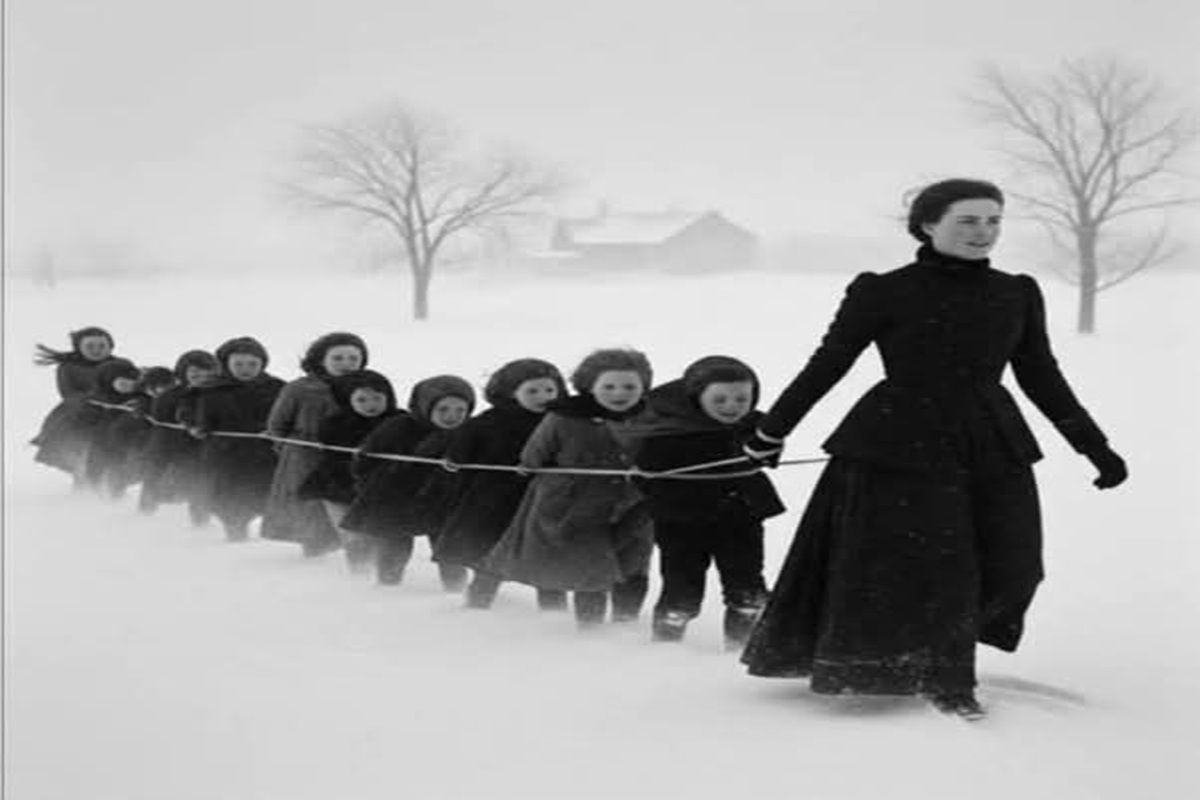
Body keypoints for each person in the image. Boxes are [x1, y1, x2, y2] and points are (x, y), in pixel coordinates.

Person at [740, 178, 1128, 720]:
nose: (984, 232)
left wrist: (1094, 447)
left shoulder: (1015, 292)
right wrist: (771, 431)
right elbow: (828, 364)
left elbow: (1041, 376)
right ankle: (944, 676)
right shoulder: (883, 290)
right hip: (899, 442)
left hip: (990, 440)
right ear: (928, 225)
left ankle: (935, 655)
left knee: (1015, 562)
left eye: (993, 220)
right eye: (968, 220)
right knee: (940, 566)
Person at [481, 348, 655, 629]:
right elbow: (534, 454)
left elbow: (663, 450)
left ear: (643, 386)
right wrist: (533, 467)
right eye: (608, 386)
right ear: (590, 387)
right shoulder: (564, 417)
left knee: (634, 561)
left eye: (629, 386)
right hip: (576, 504)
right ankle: (589, 627)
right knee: (590, 567)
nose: (619, 393)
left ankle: (626, 621)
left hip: (633, 502)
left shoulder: (650, 418)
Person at [632, 356, 785, 649]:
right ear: (696, 396)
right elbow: (644, 476)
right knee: (681, 590)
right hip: (682, 524)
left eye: (742, 398)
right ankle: (665, 647)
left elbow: (770, 454)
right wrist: (667, 489)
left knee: (747, 588)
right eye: (720, 398)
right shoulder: (666, 429)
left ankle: (739, 648)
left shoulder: (755, 426)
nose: (732, 405)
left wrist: (765, 447)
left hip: (740, 518)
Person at [431, 358, 568, 609]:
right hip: (497, 499)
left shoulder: (562, 421)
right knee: (493, 555)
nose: (543, 397)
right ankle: (477, 606)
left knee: (547, 557)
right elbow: (464, 445)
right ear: (511, 392)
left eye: (550, 390)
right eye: (532, 391)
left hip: (545, 499)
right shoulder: (490, 422)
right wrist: (455, 458)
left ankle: (553, 613)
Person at [340, 375, 476, 587]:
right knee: (394, 545)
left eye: (460, 410)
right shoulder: (398, 427)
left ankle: (456, 591)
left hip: (443, 500)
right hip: (396, 497)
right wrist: (374, 483)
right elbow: (365, 460)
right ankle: (387, 587)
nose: (452, 416)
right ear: (424, 406)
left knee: (448, 548)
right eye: (443, 409)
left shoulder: (469, 432)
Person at [261, 332, 370, 556]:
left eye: (353, 358)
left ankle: (358, 558)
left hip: (350, 458)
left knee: (349, 508)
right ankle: (314, 557)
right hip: (305, 456)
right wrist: (292, 451)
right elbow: (278, 425)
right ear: (321, 359)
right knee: (311, 510)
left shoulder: (368, 388)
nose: (346, 364)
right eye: (338, 358)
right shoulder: (300, 389)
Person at [184, 337, 286, 542]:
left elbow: (289, 415)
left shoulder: (277, 388)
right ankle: (235, 539)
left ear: (262, 364)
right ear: (226, 364)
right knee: (229, 501)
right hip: (225, 454)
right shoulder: (207, 389)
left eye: (252, 364)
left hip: (265, 454)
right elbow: (188, 411)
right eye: (238, 364)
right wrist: (194, 425)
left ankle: (270, 547)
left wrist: (280, 432)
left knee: (265, 496)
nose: (245, 369)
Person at [298, 369, 400, 568]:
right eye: (362, 400)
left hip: (381, 490)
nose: (371, 405)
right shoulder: (335, 424)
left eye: (377, 398)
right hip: (338, 487)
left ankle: (382, 576)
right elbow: (331, 449)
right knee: (352, 536)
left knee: (380, 536)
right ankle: (359, 576)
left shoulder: (400, 422)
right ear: (347, 400)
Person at [30, 326, 119, 481]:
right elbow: (68, 393)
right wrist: (95, 398)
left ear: (110, 347)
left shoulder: (120, 365)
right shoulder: (68, 367)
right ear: (79, 347)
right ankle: (82, 485)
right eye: (90, 346)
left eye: (102, 346)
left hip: (114, 413)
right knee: (82, 453)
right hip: (78, 415)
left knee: (115, 451)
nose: (96, 350)